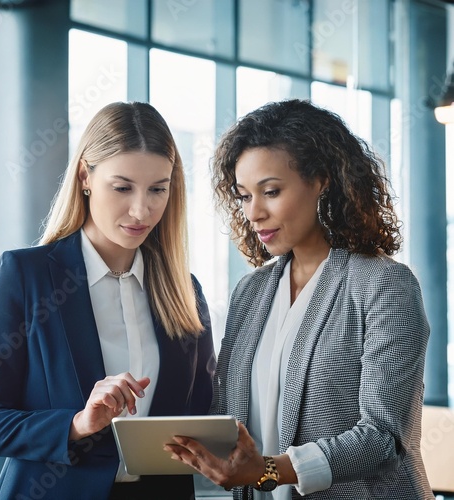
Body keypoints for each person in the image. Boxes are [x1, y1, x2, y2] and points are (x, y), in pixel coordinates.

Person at [164, 99, 434, 499]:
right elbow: (229, 418)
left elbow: (383, 438)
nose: (253, 212)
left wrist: (270, 470)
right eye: (242, 196)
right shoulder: (250, 293)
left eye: (270, 191)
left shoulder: (385, 285)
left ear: (322, 181)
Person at [0, 101, 216, 500]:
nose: (141, 210)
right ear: (85, 175)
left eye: (158, 189)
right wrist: (78, 424)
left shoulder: (184, 291)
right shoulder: (27, 276)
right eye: (122, 188)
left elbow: (204, 415)